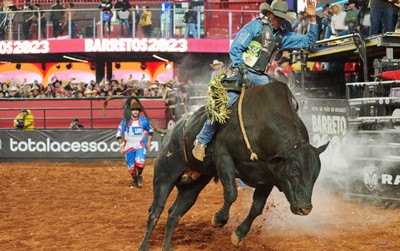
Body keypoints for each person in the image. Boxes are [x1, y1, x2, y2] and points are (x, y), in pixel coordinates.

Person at [192, 0, 319, 161]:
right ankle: (202, 140)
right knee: (225, 103)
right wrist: (242, 68)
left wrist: (313, 19)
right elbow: (236, 48)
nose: (280, 20)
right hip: (240, 69)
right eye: (278, 16)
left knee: (289, 103)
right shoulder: (255, 26)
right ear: (269, 14)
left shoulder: (282, 35)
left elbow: (309, 40)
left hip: (260, 76)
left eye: (282, 17)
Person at [116, 98, 153, 188]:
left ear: (139, 111)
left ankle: (139, 175)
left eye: (136, 110)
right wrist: (121, 146)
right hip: (128, 146)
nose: (135, 112)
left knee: (140, 163)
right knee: (131, 167)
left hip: (140, 145)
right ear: (130, 111)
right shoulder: (125, 121)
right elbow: (118, 134)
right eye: (133, 110)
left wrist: (148, 141)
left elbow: (150, 130)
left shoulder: (144, 121)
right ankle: (135, 179)